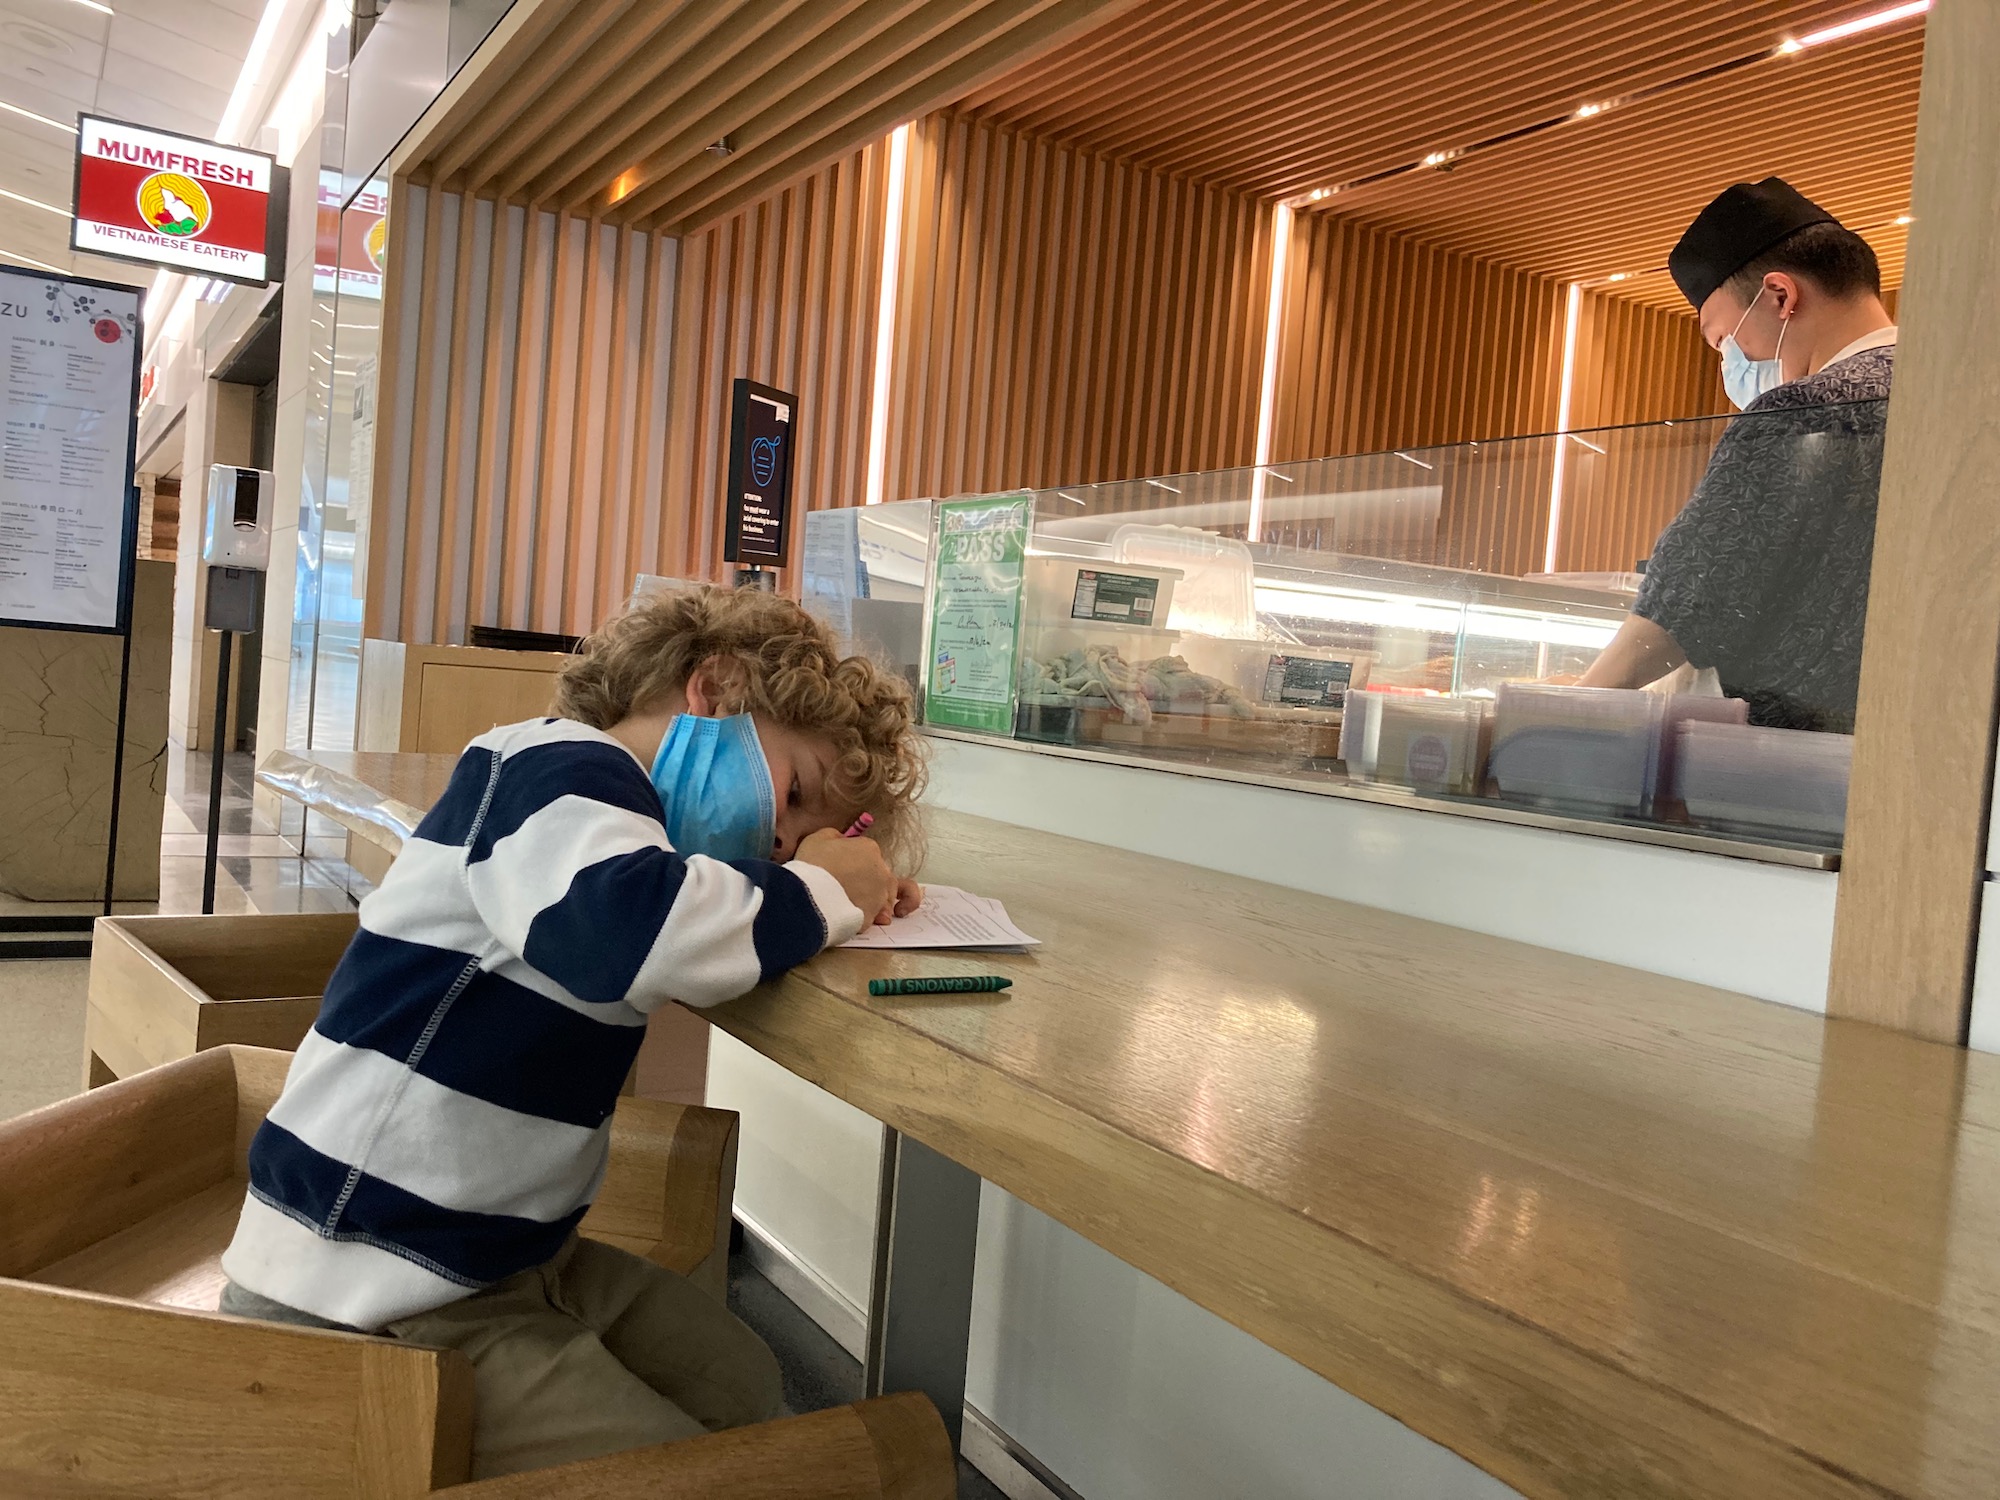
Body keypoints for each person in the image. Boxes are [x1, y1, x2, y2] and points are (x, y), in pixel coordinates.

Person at [216, 586, 926, 1478]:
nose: (774, 843)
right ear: (710, 688)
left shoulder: (626, 831)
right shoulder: (549, 765)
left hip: (496, 1257)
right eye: (790, 795)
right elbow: (620, 937)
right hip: (362, 1274)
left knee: (740, 1381)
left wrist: (836, 896)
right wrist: (824, 893)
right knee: (689, 1470)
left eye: (791, 844)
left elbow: (679, 916)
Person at [1578, 177, 1897, 730]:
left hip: (1799, 764)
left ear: (1780, 296)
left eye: (1723, 340)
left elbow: (1686, 603)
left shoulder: (1800, 410)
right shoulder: (1962, 400)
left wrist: (1561, 709)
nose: (1732, 363)